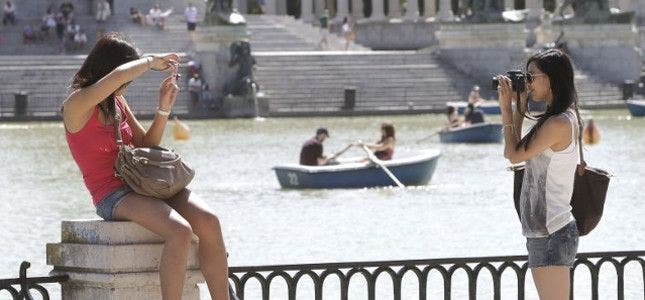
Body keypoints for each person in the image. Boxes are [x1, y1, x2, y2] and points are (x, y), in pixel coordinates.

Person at [62, 33, 233, 300]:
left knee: (209, 221)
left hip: (145, 183)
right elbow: (118, 76)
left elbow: (147, 143)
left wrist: (163, 109)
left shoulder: (117, 101)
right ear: (107, 69)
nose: (126, 86)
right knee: (180, 231)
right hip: (112, 194)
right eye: (127, 80)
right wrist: (150, 61)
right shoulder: (77, 104)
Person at [498, 48, 580, 300]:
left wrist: (506, 110)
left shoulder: (558, 123)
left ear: (552, 78)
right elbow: (516, 152)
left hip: (552, 231)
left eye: (531, 76)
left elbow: (513, 155)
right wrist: (519, 107)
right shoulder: (552, 119)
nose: (527, 82)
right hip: (542, 231)